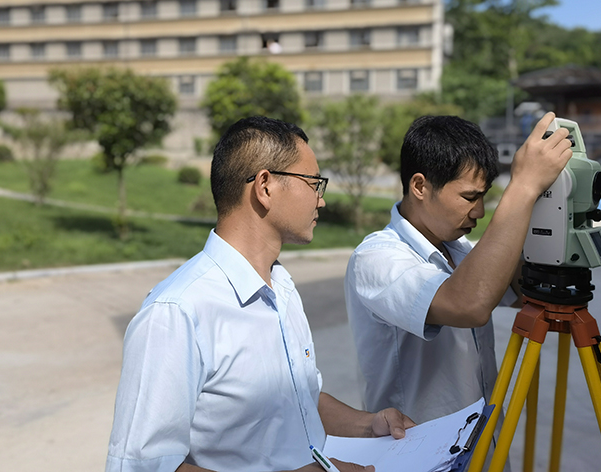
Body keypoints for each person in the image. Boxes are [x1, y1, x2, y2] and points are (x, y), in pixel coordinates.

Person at [106, 116, 414, 472]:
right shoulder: (177, 311)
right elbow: (141, 466)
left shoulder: (281, 287)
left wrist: (369, 425)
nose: (322, 200)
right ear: (265, 186)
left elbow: (301, 401)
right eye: (314, 183)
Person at [344, 112, 573, 424]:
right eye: (470, 197)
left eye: (483, 198)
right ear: (420, 186)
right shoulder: (377, 259)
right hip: (419, 453)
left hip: (481, 443)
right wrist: (523, 187)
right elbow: (469, 305)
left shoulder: (459, 250)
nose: (478, 211)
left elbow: (525, 293)